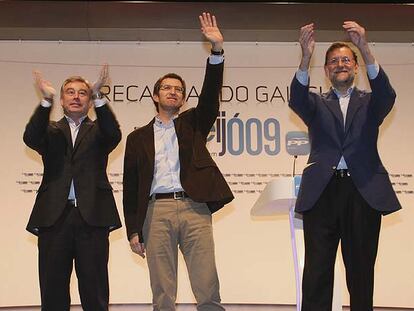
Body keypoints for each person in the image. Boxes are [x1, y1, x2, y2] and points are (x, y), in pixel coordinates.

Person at [123, 12, 234, 311]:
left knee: (207, 284)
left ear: (183, 99)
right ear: (156, 96)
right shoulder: (137, 138)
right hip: (154, 211)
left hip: (194, 207)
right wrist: (132, 229)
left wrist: (216, 51)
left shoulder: (193, 123)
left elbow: (210, 95)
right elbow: (130, 187)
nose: (173, 92)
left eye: (179, 90)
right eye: (167, 88)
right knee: (162, 292)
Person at [289, 21, 402, 310]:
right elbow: (296, 98)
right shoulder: (315, 103)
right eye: (334, 62)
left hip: (362, 191)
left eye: (346, 60)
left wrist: (364, 48)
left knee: (361, 271)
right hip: (322, 193)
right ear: (326, 71)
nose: (340, 65)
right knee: (316, 272)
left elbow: (388, 94)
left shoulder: (372, 102)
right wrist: (305, 56)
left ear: (355, 67)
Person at [23, 64, 122, 311]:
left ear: (89, 101)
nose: (76, 96)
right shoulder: (50, 131)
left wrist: (100, 96)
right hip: (54, 218)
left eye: (83, 92)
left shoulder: (99, 131)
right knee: (52, 288)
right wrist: (46, 101)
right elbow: (31, 137)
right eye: (70, 92)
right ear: (63, 99)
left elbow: (114, 134)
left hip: (92, 217)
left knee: (95, 289)